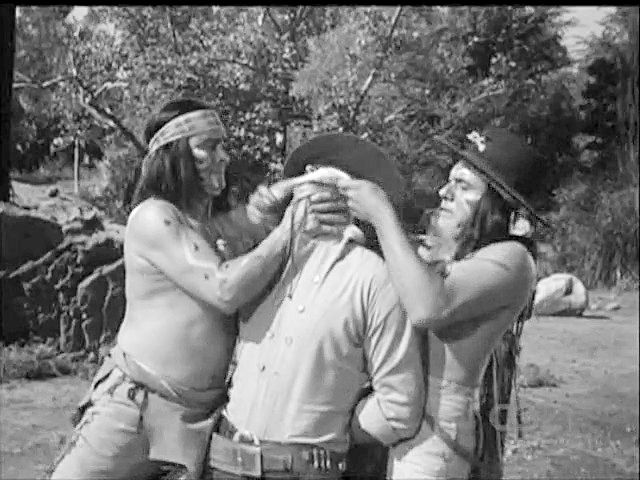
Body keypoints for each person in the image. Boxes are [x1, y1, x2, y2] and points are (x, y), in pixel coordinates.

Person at [49, 98, 349, 480]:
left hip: (195, 422)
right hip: (135, 408)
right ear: (175, 156)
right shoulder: (154, 217)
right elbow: (224, 288)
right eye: (209, 146)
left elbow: (252, 218)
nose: (224, 157)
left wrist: (294, 191)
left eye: (223, 145)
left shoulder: (204, 226)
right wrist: (291, 226)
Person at [207, 133, 425, 480]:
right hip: (224, 459)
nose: (303, 189)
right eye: (303, 179)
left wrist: (330, 430)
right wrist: (261, 211)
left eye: (318, 181)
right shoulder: (261, 258)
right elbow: (200, 241)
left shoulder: (373, 278)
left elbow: (399, 407)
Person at [337, 127, 545, 479]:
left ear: (497, 204)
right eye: (450, 181)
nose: (443, 193)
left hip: (432, 435)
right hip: (389, 407)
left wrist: (382, 215)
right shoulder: (447, 253)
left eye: (463, 186)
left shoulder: (514, 260)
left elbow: (426, 308)